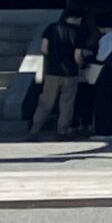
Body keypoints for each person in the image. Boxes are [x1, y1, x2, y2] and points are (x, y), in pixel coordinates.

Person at [28, 9, 85, 138]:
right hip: (70, 73)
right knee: (67, 103)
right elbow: (77, 55)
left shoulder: (51, 28)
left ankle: (34, 129)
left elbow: (44, 48)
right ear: (78, 19)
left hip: (52, 71)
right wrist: (80, 65)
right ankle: (62, 131)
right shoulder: (78, 32)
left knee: (46, 102)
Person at [85, 11, 112, 140]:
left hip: (106, 72)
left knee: (102, 102)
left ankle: (105, 131)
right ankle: (108, 130)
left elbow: (101, 57)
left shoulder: (107, 37)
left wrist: (88, 56)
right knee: (107, 102)